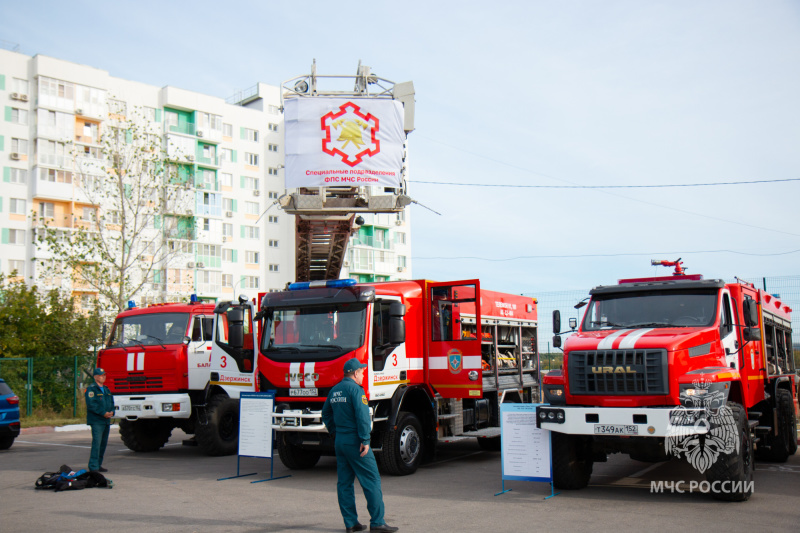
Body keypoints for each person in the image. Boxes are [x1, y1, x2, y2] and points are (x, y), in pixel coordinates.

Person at [322, 358, 398, 533]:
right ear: (355, 373)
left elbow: (325, 413)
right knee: (371, 480)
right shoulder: (356, 390)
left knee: (344, 483)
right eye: (362, 372)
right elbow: (362, 417)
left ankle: (350, 523)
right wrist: (365, 440)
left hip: (340, 441)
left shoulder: (335, 390)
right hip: (355, 442)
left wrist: (334, 431)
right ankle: (378, 522)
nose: (363, 374)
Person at [85, 367, 115, 473]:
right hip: (97, 420)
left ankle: (98, 464)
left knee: (103, 443)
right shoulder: (92, 389)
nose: (103, 377)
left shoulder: (106, 389)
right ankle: (93, 466)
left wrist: (112, 412)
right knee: (97, 443)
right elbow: (91, 404)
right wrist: (103, 413)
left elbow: (111, 402)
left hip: (106, 420)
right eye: (101, 375)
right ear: (95, 377)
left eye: (104, 375)